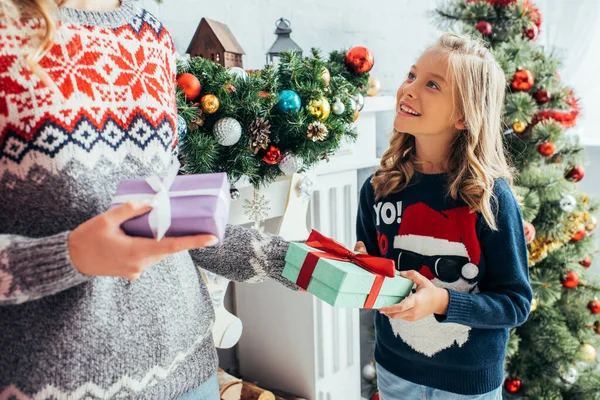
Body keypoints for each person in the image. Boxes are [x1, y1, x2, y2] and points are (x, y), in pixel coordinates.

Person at [0, 1, 294, 398]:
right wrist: (69, 257)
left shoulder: (150, 35)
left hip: (191, 374)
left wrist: (300, 262)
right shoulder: (8, 30)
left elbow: (168, 220)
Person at [355, 33, 533, 399]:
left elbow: (514, 303)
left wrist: (441, 302)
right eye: (411, 75)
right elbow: (375, 278)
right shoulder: (378, 189)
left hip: (466, 385)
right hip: (395, 370)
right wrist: (359, 270)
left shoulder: (490, 199)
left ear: (465, 115)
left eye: (432, 84)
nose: (409, 89)